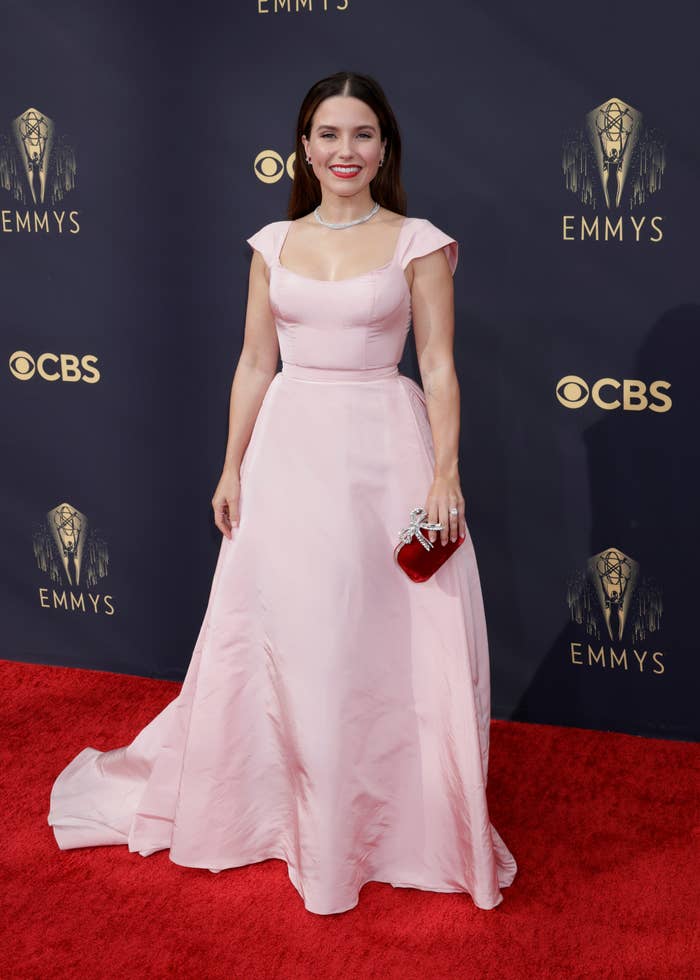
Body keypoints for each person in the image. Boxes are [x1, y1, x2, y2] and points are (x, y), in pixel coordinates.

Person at [48, 71, 518, 915]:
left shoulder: (420, 243)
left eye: (363, 134)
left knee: (378, 639)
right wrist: (232, 465)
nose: (346, 151)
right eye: (329, 135)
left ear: (385, 147)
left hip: (385, 454)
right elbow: (255, 363)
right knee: (292, 635)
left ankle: (384, 827)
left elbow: (439, 368)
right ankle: (286, 816)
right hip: (289, 453)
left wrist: (445, 472)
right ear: (304, 147)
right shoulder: (272, 243)